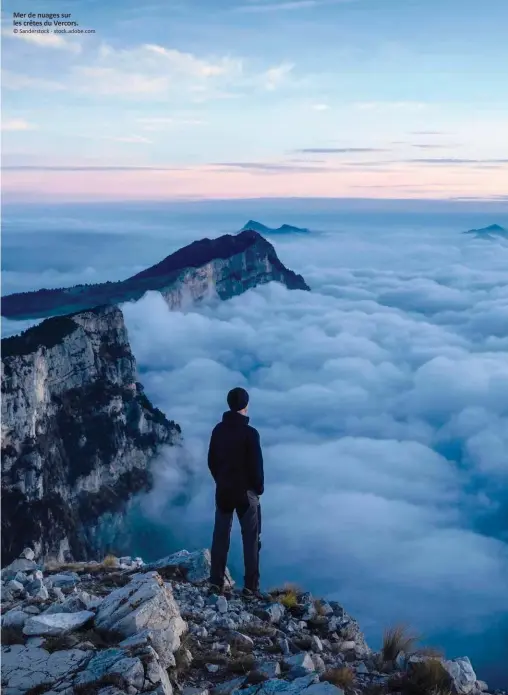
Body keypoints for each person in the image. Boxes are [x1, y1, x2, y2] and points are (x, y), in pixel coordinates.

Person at [208, 387, 264, 596]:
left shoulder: (218, 430)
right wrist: (258, 489)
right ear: (245, 406)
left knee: (220, 536)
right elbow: (256, 467)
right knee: (251, 539)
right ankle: (251, 587)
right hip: (245, 493)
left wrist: (220, 480)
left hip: (223, 490)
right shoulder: (250, 434)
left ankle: (215, 582)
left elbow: (211, 461)